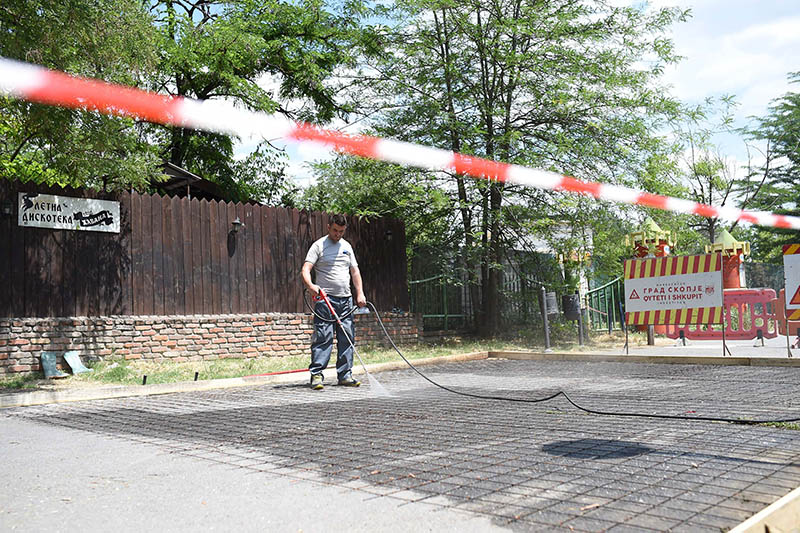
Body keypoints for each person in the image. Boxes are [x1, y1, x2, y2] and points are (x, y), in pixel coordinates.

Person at [301, 214, 367, 390]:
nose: (338, 234)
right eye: (335, 230)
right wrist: (311, 286)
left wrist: (359, 293)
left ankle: (345, 375)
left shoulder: (347, 247)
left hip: (345, 301)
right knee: (324, 337)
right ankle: (316, 375)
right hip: (325, 300)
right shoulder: (319, 245)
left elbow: (355, 272)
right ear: (328, 227)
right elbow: (306, 269)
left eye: (341, 231)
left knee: (347, 336)